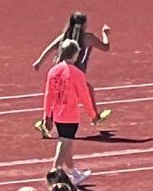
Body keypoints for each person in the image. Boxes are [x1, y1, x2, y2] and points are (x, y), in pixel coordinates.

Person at [33, 12, 111, 134]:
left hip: (59, 71)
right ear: (84, 25)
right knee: (86, 90)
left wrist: (39, 61)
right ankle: (95, 117)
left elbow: (50, 48)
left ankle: (46, 121)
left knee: (56, 95)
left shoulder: (64, 36)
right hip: (75, 73)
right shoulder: (88, 38)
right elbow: (106, 47)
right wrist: (105, 34)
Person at [41, 39, 96, 188]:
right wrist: (92, 114)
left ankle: (74, 173)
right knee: (63, 144)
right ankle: (55, 177)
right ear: (75, 54)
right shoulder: (76, 73)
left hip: (58, 115)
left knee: (67, 145)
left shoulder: (53, 71)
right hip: (70, 116)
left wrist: (46, 115)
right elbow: (85, 96)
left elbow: (48, 95)